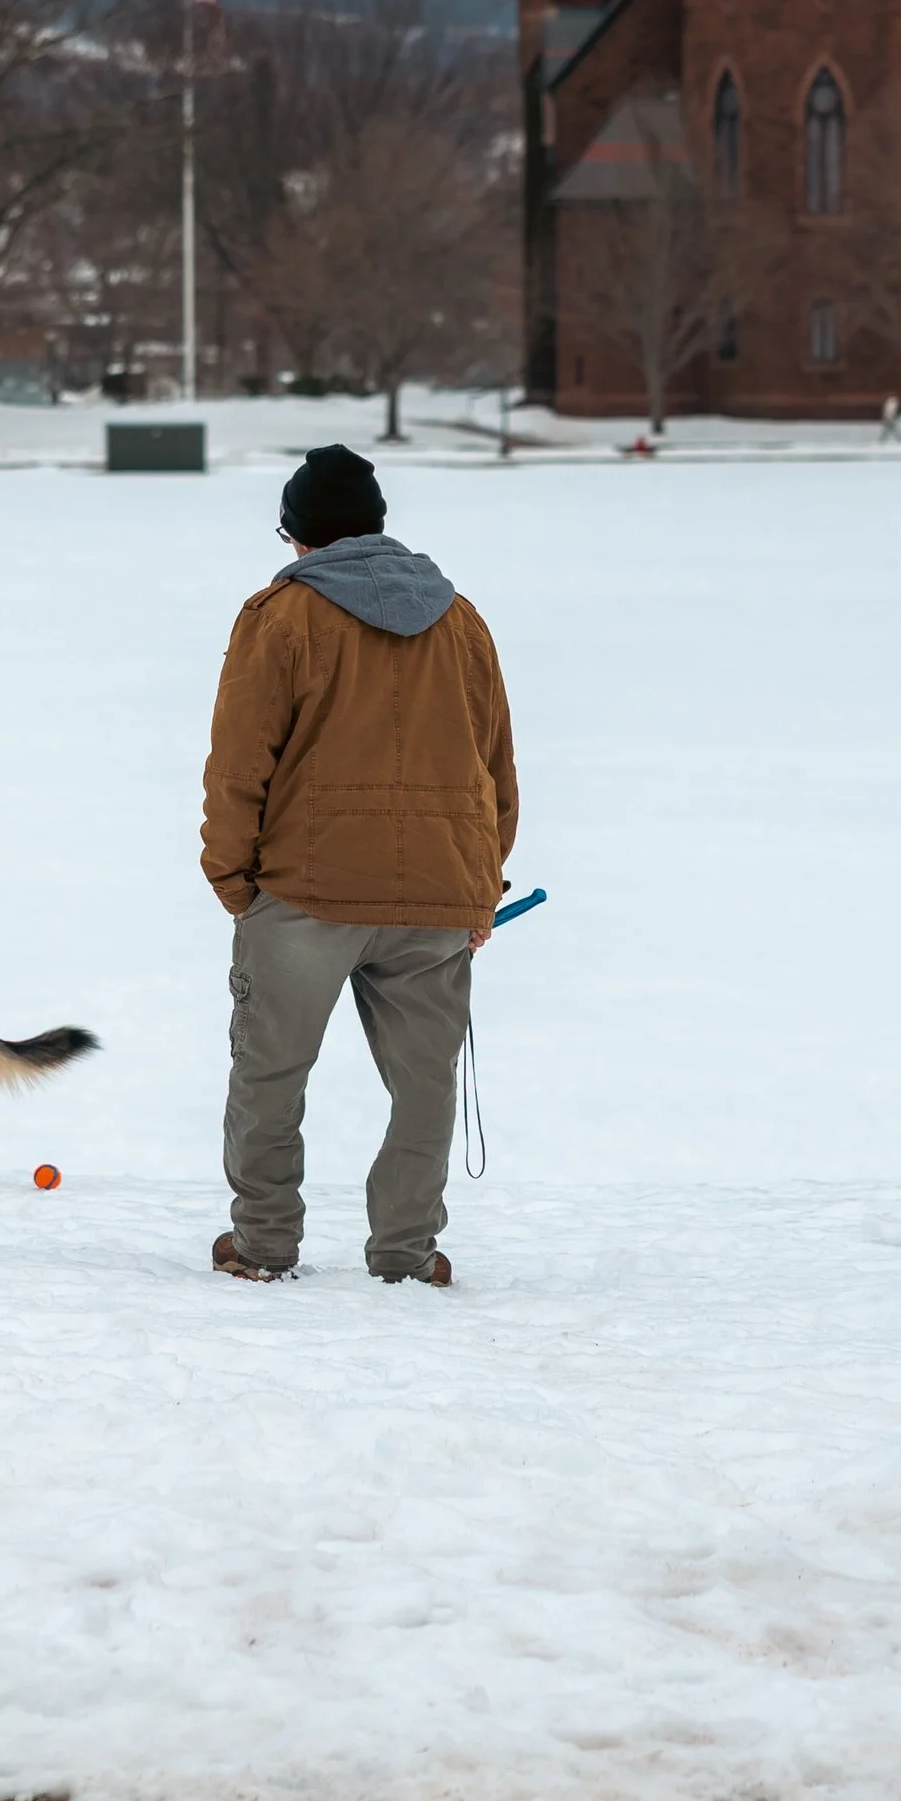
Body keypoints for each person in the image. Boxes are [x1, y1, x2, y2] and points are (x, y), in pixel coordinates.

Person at [200, 446, 518, 1286]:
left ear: (300, 536)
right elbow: (497, 770)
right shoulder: (463, 620)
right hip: (440, 902)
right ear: (377, 525)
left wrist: (235, 881)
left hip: (307, 892)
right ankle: (407, 1256)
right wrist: (481, 887)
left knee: (270, 1074)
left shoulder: (279, 616)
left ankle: (264, 1246)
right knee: (424, 1087)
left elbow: (238, 766)